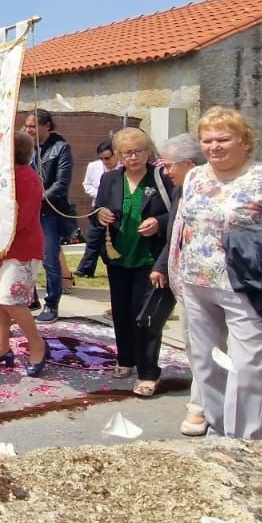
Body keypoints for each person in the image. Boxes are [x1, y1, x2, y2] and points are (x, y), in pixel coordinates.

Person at [167, 108, 262, 439]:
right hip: (196, 283)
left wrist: (255, 252)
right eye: (207, 140)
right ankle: (217, 432)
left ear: (245, 142)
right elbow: (183, 227)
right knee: (206, 364)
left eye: (223, 139)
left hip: (245, 287)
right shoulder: (195, 176)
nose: (214, 146)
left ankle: (244, 440)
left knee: (247, 368)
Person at [93, 128, 174, 396]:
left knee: (146, 315)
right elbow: (97, 212)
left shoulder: (162, 178)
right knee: (122, 311)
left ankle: (149, 371)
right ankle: (125, 358)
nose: (133, 157)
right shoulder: (111, 180)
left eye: (139, 151)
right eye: (127, 152)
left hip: (149, 257)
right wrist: (100, 215)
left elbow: (177, 213)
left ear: (149, 151)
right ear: (118, 155)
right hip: (118, 256)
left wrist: (158, 223)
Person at [0, 131, 52, 376]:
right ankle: (1, 346)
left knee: (12, 299)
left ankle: (37, 344)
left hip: (20, 247)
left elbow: (22, 217)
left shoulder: (27, 177)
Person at [150, 133, 209, 435]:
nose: (165, 171)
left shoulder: (212, 191)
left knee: (209, 344)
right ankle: (205, 399)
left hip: (215, 280)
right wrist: (162, 266)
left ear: (188, 163)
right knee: (193, 342)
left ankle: (202, 406)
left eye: (168, 164)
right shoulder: (179, 190)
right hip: (184, 279)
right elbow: (174, 229)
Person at [23, 109, 75, 322]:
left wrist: (38, 197)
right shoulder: (24, 148)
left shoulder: (61, 148)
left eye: (33, 126)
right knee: (25, 258)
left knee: (49, 259)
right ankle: (29, 297)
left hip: (48, 212)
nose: (28, 130)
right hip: (27, 211)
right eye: (26, 126)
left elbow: (61, 184)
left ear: (47, 126)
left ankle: (52, 304)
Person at [74, 138, 117, 277]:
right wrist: (100, 194)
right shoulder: (93, 166)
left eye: (108, 158)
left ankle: (113, 265)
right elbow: (87, 185)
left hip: (116, 210)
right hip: (98, 207)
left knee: (112, 241)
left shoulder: (123, 168)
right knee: (93, 239)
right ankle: (86, 268)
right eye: (102, 158)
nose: (105, 161)